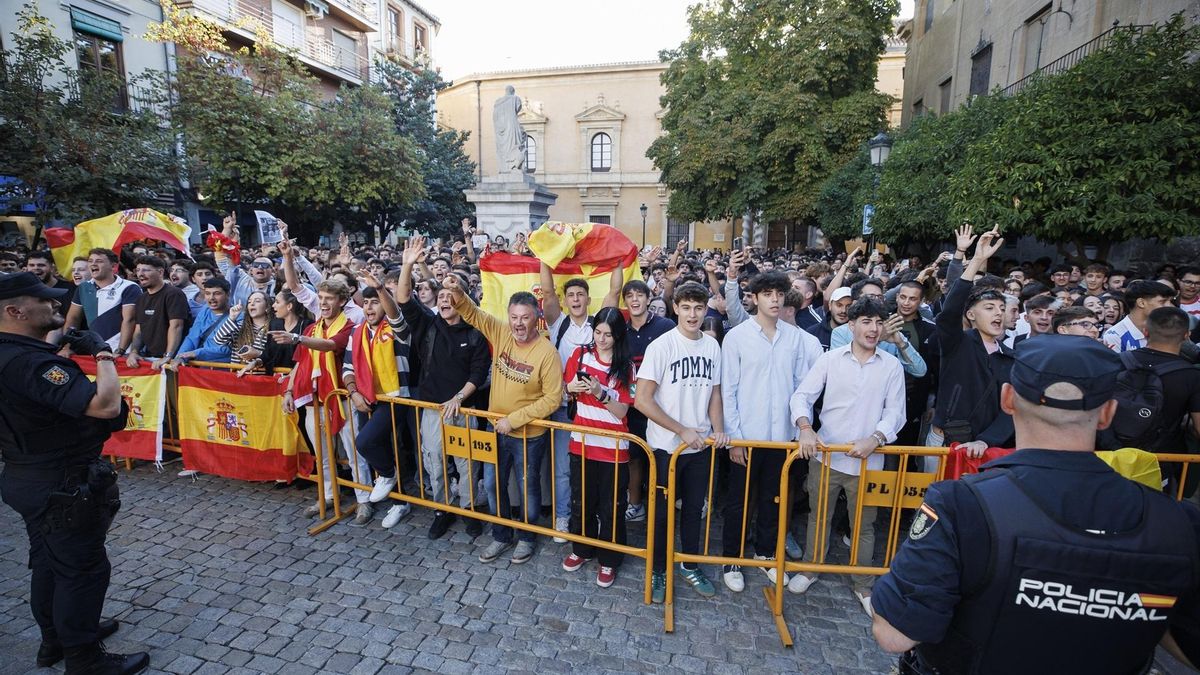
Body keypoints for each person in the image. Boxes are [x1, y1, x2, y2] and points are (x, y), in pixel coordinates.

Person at [871, 335, 1200, 675]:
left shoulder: (962, 505)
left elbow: (894, 634)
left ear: (1008, 398)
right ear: (1107, 413)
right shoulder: (1177, 523)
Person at [0, 272, 149, 674]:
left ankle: (56, 640)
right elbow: (105, 406)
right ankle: (84, 659)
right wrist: (103, 354)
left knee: (49, 561)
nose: (55, 304)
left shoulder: (13, 355)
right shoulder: (29, 362)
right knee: (82, 569)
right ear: (15, 311)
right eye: (43, 300)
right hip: (61, 480)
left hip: (25, 473)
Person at [788, 297, 906, 615]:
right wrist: (805, 427)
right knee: (819, 517)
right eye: (866, 321)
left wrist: (876, 437)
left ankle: (862, 584)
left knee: (864, 526)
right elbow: (802, 395)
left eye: (879, 322)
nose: (874, 328)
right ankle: (810, 569)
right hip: (826, 456)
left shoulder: (892, 365)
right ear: (851, 325)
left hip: (869, 461)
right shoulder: (831, 360)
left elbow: (897, 412)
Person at [443, 274, 563, 566]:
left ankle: (526, 538)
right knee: (494, 484)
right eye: (514, 317)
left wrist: (515, 419)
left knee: (527, 487)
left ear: (537, 319)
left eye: (525, 318)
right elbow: (472, 312)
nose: (519, 324)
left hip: (528, 436)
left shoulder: (547, 353)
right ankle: (501, 535)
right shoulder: (501, 332)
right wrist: (457, 290)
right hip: (495, 429)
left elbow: (552, 399)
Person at [719, 272, 821, 593]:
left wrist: (798, 429)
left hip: (781, 439)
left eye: (779, 293)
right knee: (739, 502)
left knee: (773, 501)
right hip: (746, 438)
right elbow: (729, 391)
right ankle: (732, 559)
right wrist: (734, 438)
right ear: (755, 298)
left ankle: (765, 554)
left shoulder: (795, 339)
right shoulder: (737, 337)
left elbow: (801, 389)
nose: (775, 299)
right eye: (768, 294)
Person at [635, 282, 729, 603]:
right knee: (661, 513)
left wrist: (718, 428)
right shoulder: (661, 346)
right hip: (665, 447)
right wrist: (681, 429)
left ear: (706, 310)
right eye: (686, 307)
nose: (692, 314)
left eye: (699, 308)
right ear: (675, 307)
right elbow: (643, 401)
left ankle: (689, 563)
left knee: (693, 510)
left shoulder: (712, 347)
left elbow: (714, 394)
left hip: (699, 446)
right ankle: (659, 568)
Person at [397, 238, 491, 540]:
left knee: (466, 464)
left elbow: (478, 373)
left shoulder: (476, 333)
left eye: (452, 297)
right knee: (435, 460)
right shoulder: (429, 324)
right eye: (442, 297)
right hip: (432, 408)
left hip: (463, 407)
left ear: (463, 300)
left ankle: (469, 508)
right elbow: (403, 301)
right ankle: (443, 509)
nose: (445, 301)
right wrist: (408, 264)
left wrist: (459, 398)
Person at [539, 260, 622, 542]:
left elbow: (615, 290)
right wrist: (544, 255)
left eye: (580, 295)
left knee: (595, 469)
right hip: (565, 407)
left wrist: (618, 259)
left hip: (599, 409)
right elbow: (547, 293)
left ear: (588, 299)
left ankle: (594, 517)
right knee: (564, 468)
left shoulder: (598, 324)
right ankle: (564, 516)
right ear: (566, 300)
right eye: (570, 295)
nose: (575, 299)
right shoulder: (559, 323)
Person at [281, 279, 369, 523]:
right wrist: (289, 391)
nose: (323, 303)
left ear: (342, 302)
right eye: (320, 298)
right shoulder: (311, 329)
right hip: (315, 400)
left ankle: (364, 499)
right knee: (322, 453)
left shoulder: (350, 327)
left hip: (342, 398)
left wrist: (297, 339)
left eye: (329, 298)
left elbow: (330, 346)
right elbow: (299, 364)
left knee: (354, 452)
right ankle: (329, 495)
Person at [560, 307, 636, 588]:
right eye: (598, 333)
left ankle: (609, 559)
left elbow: (622, 410)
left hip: (614, 446)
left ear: (618, 336)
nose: (601, 339)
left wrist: (599, 393)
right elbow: (566, 389)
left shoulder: (626, 367)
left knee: (611, 506)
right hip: (582, 442)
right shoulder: (580, 355)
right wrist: (572, 387)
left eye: (608, 334)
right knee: (582, 501)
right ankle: (582, 548)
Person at [928, 227, 1015, 457]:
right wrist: (976, 260)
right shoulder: (957, 343)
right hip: (945, 445)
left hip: (986, 450)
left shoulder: (1011, 358)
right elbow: (949, 312)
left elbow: (1012, 409)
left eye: (1002, 309)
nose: (998, 313)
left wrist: (986, 441)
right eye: (989, 308)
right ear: (970, 315)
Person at [341, 270, 414, 530]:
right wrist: (354, 392)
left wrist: (381, 289)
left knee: (369, 443)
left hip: (395, 399)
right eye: (367, 302)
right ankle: (397, 498)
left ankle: (391, 484)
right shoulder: (357, 332)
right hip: (365, 398)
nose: (370, 307)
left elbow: (396, 316)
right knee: (380, 447)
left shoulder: (397, 330)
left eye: (375, 302)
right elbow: (348, 368)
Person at [620, 279, 674, 524]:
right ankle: (635, 504)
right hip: (632, 407)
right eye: (629, 295)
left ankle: (663, 504)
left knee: (663, 457)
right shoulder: (621, 330)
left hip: (663, 405)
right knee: (634, 457)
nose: (634, 299)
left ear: (648, 298)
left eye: (639, 294)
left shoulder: (666, 326)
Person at [62, 248, 140, 353]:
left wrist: (120, 350)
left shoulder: (129, 287)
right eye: (90, 261)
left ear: (113, 266)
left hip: (123, 353)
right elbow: (73, 318)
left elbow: (130, 320)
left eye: (99, 261)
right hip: (95, 351)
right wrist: (67, 347)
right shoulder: (83, 288)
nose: (93, 264)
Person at [125, 256, 190, 370]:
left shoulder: (174, 294)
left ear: (160, 272)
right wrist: (134, 352)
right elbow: (139, 330)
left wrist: (168, 356)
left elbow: (176, 326)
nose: (140, 274)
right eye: (138, 270)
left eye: (146, 270)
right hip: (150, 358)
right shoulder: (141, 298)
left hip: (172, 362)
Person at [1102, 281, 1176, 352]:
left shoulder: (1169, 329)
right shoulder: (1115, 336)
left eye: (1170, 301)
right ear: (1141, 303)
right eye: (1162, 302)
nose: (1169, 306)